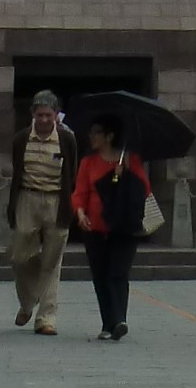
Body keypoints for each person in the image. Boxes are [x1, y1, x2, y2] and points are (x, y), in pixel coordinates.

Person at [71, 116, 152, 341]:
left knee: (118, 273)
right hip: (94, 227)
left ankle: (119, 319)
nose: (92, 136)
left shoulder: (131, 160)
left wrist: (126, 173)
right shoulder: (88, 162)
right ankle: (108, 323)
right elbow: (80, 192)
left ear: (109, 136)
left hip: (123, 226)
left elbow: (144, 190)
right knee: (100, 275)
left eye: (97, 132)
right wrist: (80, 212)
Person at [10, 89, 78, 335]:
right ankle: (27, 303)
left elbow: (72, 171)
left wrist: (71, 204)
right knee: (19, 256)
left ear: (56, 115)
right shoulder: (21, 139)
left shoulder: (66, 139)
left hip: (56, 200)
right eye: (40, 115)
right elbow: (17, 170)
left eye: (49, 115)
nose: (44, 120)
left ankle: (46, 318)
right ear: (32, 114)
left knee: (52, 259)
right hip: (27, 197)